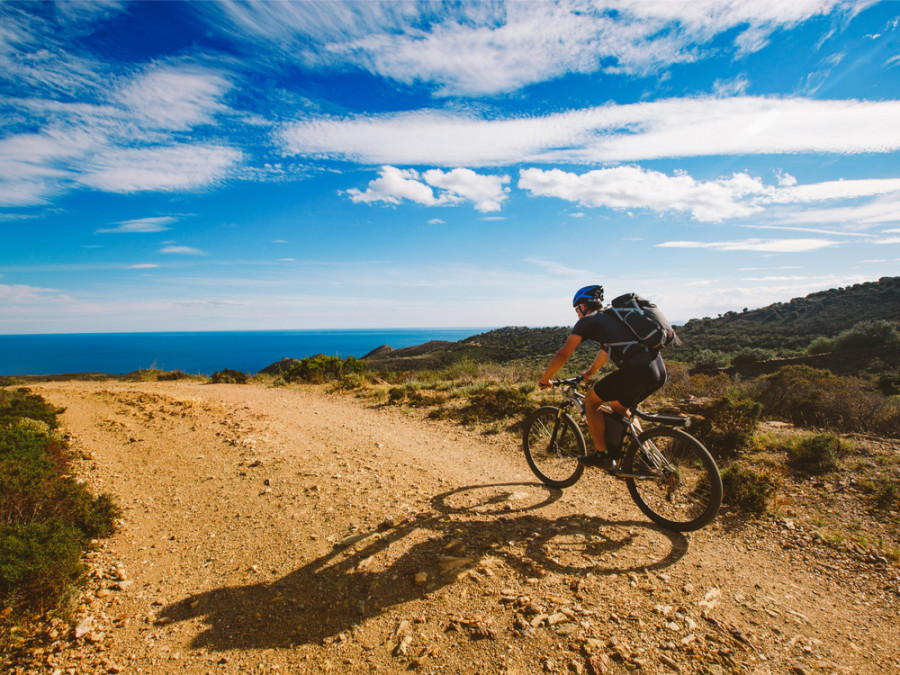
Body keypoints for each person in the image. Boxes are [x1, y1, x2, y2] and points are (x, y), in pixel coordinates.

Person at [538, 285, 667, 470]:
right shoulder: (612, 318)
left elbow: (563, 354)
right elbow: (605, 351)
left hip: (638, 370)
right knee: (619, 407)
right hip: (657, 369)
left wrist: (545, 379)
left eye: (576, 309)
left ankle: (603, 455)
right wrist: (590, 373)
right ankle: (648, 457)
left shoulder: (588, 321)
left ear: (583, 306)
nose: (577, 314)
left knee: (591, 401)